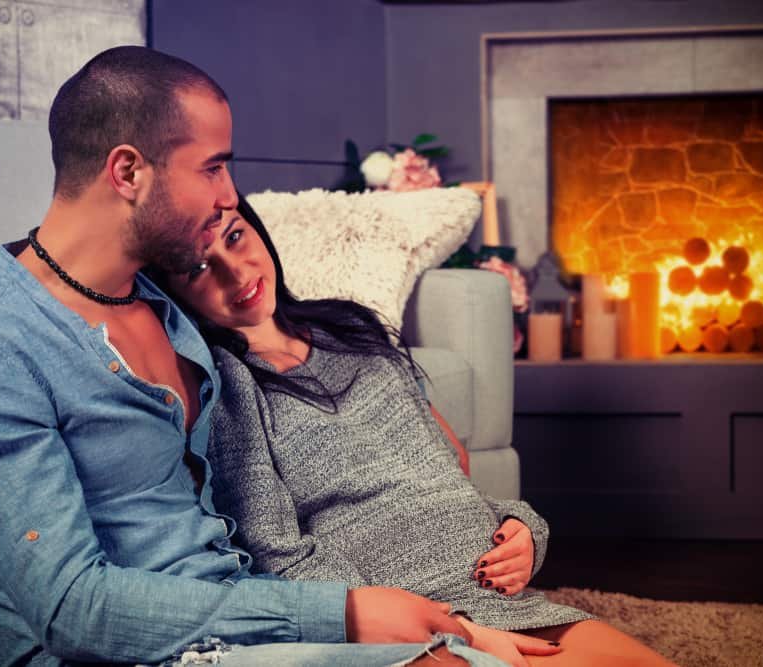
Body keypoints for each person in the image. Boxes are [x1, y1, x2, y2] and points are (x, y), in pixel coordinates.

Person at [0, 46, 559, 667]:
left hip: (243, 622)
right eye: (212, 167)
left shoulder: (166, 312)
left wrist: (449, 593)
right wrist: (342, 612)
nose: (229, 195)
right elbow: (73, 611)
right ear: (127, 172)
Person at [160, 199, 678, 666]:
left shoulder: (350, 328)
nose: (235, 272)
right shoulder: (229, 386)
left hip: (504, 601)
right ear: (176, 293)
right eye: (199, 269)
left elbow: (443, 472)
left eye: (235, 237)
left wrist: (522, 529)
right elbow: (278, 555)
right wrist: (447, 631)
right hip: (410, 624)